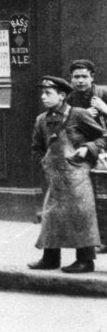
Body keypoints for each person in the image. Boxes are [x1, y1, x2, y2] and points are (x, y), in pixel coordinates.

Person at [28, 75, 106, 274]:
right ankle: (50, 259)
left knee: (82, 216)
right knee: (51, 216)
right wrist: (44, 162)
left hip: (78, 175)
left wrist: (88, 148)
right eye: (42, 93)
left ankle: (85, 261)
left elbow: (103, 137)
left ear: (62, 96)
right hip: (55, 176)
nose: (43, 97)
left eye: (48, 93)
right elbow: (36, 148)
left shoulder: (78, 115)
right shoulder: (41, 120)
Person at [66, 59, 107, 129]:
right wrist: (83, 115)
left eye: (84, 76)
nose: (80, 81)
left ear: (92, 77)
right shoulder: (69, 98)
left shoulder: (104, 92)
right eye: (76, 77)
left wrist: (105, 108)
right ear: (71, 78)